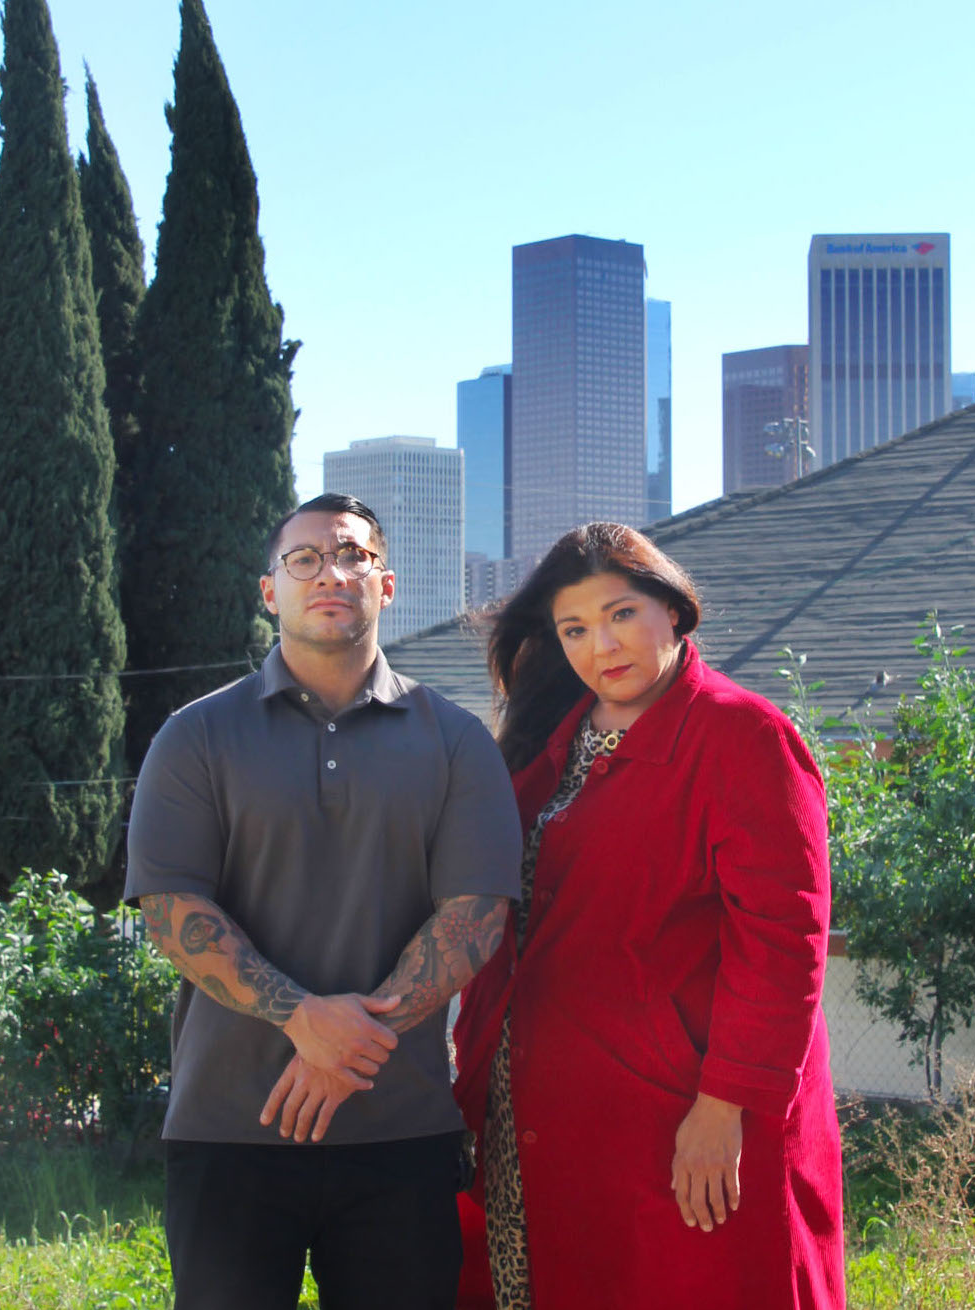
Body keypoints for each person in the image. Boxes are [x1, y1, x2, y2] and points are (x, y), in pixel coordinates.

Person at [125, 493, 522, 1310]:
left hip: (400, 1132)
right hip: (229, 1128)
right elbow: (170, 909)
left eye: (351, 555)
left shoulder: (454, 741)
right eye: (302, 559)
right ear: (270, 591)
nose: (329, 573)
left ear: (386, 585)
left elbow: (475, 916)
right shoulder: (195, 736)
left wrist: (345, 1043)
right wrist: (300, 1017)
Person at [452, 522, 845, 1309]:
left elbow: (781, 940)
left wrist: (721, 1105)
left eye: (621, 613)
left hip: (683, 1121)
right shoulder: (548, 746)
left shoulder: (743, 736)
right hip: (541, 1116)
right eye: (574, 628)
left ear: (673, 609)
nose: (602, 644)